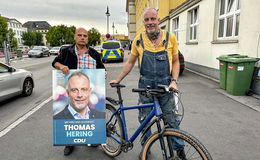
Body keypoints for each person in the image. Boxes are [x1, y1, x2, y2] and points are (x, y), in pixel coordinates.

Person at [110, 8, 186, 159]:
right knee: (144, 120)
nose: (150, 22)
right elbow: (130, 62)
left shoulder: (170, 37)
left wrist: (174, 81)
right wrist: (119, 79)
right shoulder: (138, 40)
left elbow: (176, 61)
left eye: (153, 19)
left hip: (165, 85)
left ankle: (179, 150)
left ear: (158, 20)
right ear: (144, 22)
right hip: (145, 85)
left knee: (171, 119)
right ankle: (146, 148)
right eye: (147, 20)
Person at [52, 27, 105, 156]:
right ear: (75, 37)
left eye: (85, 36)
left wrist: (105, 73)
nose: (82, 38)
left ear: (88, 38)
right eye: (80, 35)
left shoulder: (94, 53)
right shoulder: (66, 51)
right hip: (73, 89)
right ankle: (69, 142)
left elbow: (101, 67)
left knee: (90, 114)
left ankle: (92, 139)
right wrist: (62, 66)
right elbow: (55, 62)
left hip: (88, 91)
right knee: (71, 114)